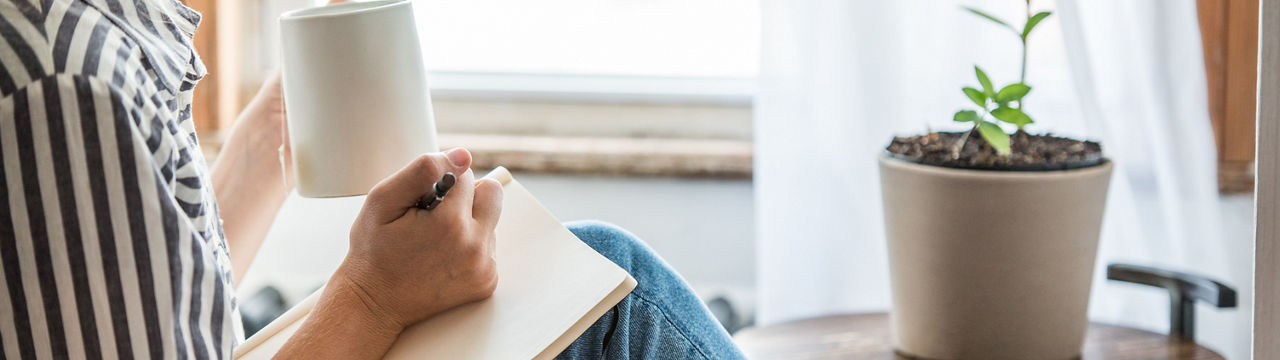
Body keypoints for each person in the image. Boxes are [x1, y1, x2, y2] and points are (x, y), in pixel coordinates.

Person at [0, 0, 746, 358]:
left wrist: (268, 146)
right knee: (618, 290)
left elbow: (146, 316)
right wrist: (369, 297)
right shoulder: (70, 84)